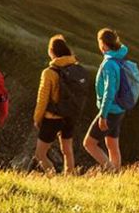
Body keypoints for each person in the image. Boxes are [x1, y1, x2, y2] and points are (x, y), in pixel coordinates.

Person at [31, 34, 93, 173]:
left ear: (51, 52)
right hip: (70, 116)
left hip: (53, 117)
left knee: (40, 155)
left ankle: (52, 179)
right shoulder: (76, 69)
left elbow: (42, 99)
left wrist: (37, 118)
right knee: (67, 150)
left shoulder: (49, 73)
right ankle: (69, 177)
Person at [80, 28, 135, 172]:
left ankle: (111, 172)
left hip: (110, 110)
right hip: (119, 109)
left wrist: (103, 115)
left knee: (89, 143)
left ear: (103, 44)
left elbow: (109, 91)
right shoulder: (120, 57)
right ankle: (117, 176)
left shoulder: (109, 64)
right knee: (112, 145)